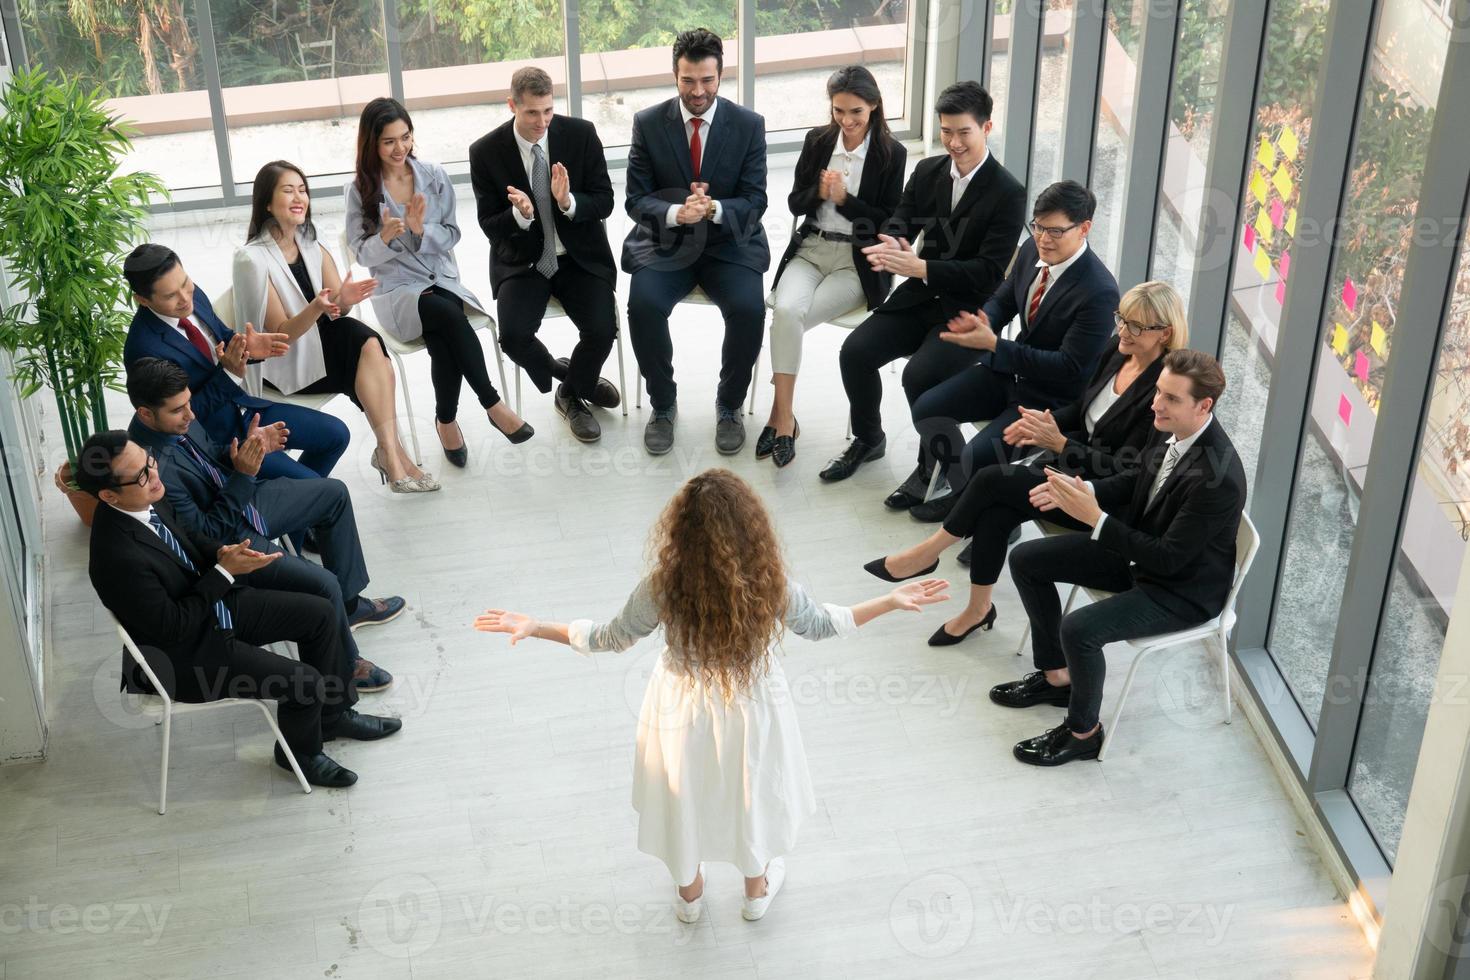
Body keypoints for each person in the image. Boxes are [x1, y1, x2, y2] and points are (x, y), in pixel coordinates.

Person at [473, 469, 949, 921]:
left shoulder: (663, 585)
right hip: (753, 709)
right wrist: (888, 600)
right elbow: (822, 624)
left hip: (679, 710)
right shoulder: (770, 582)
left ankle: (690, 897)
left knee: (683, 796)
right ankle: (755, 893)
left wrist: (536, 627)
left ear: (680, 531)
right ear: (752, 529)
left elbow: (610, 637)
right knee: (751, 792)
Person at [866, 281, 1186, 646]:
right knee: (995, 512)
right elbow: (1084, 411)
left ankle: (927, 553)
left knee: (990, 481)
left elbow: (1130, 472)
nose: (1122, 331)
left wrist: (1061, 444)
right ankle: (978, 609)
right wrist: (1041, 421)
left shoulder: (1165, 394)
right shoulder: (1118, 351)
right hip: (1071, 469)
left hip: (1103, 498)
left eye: (1136, 326)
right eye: (1121, 319)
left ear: (1165, 333)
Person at [78, 431, 404, 789]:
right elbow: (172, 628)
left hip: (211, 605)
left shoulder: (148, 494)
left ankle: (333, 714)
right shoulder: (116, 557)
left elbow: (190, 540)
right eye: (141, 475)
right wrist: (222, 573)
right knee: (305, 682)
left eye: (149, 461)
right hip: (186, 654)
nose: (154, 474)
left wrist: (223, 554)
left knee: (321, 613)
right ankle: (300, 755)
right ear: (108, 495)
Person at [996, 350, 1246, 767]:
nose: (1156, 404)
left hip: (1179, 590)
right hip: (1140, 556)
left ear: (1204, 406)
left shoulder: (1218, 480)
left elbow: (1168, 560)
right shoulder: (1168, 428)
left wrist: (1095, 520)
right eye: (1158, 392)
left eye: (1170, 398)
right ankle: (1058, 678)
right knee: (1026, 559)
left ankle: (1083, 734)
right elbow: (1137, 479)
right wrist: (1083, 492)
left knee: (1079, 629)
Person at [125, 357, 405, 692]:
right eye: (178, 410)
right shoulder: (153, 469)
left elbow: (210, 453)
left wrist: (247, 449)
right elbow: (209, 533)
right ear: (145, 414)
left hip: (239, 497)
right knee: (322, 582)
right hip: (229, 539)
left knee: (334, 494)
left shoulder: (175, 419)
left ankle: (347, 607)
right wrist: (243, 474)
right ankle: (346, 668)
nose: (191, 415)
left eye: (188, 404)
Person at [819, 80, 1026, 484]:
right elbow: (903, 216)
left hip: (969, 310)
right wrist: (893, 241)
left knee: (920, 376)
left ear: (986, 128)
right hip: (919, 297)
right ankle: (868, 438)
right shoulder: (928, 170)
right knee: (854, 353)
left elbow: (988, 271)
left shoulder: (1009, 193)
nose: (953, 142)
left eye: (964, 132)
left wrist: (922, 268)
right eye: (946, 131)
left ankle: (931, 468)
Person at [901, 180, 1119, 522]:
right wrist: (985, 320)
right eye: (1038, 226)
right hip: (1006, 373)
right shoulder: (1032, 250)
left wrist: (995, 345)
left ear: (1084, 228)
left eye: (1055, 231)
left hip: (1048, 398)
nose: (1044, 238)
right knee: (927, 410)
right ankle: (964, 487)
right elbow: (1005, 296)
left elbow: (1068, 367)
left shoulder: (1100, 291)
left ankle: (981, 504)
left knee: (977, 455)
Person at [233, 160, 441, 493]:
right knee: (372, 358)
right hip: (285, 361)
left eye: (303, 190)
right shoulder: (251, 258)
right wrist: (318, 306)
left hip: (319, 341)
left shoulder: (309, 240)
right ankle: (394, 454)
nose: (299, 197)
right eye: (288, 190)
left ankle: (390, 452)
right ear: (267, 203)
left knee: (370, 345)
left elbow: (337, 309)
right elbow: (279, 337)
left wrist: (344, 299)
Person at [347, 98, 533, 470]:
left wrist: (420, 231)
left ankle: (445, 421)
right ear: (372, 144)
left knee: (443, 331)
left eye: (406, 137)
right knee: (447, 317)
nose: (400, 148)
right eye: (388, 142)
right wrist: (384, 238)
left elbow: (452, 233)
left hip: (442, 280)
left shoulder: (433, 174)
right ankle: (492, 404)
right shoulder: (360, 191)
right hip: (397, 291)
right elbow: (360, 254)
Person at [622, 28, 771, 456]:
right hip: (666, 243)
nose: (698, 91)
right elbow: (635, 199)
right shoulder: (648, 123)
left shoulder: (748, 125)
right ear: (675, 75)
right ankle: (663, 404)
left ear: (720, 76)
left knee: (748, 309)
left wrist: (714, 210)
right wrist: (675, 213)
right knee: (644, 306)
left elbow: (756, 199)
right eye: (688, 80)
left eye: (706, 80)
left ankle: (729, 405)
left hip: (729, 245)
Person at [759, 66, 907, 468]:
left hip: (856, 264)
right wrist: (818, 193)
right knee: (786, 312)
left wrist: (844, 199)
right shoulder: (818, 140)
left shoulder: (892, 154)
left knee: (792, 319)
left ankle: (778, 416)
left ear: (874, 106)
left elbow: (889, 220)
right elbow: (793, 203)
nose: (847, 120)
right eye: (839, 110)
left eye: (856, 111)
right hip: (811, 249)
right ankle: (786, 419)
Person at [468, 68, 622, 444]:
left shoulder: (581, 135)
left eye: (549, 111)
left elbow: (605, 199)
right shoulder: (485, 152)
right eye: (532, 113)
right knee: (515, 337)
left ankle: (570, 396)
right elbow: (489, 222)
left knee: (602, 329)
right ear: (512, 106)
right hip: (523, 260)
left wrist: (567, 202)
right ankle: (567, 375)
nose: (542, 122)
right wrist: (520, 214)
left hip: (577, 255)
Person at [123, 244, 350, 482]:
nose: (184, 298)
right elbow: (182, 417)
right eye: (170, 295)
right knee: (319, 488)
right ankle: (300, 499)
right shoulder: (143, 350)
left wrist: (247, 348)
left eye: (184, 283)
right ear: (142, 300)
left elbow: (221, 337)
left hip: (244, 407)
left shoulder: (192, 295)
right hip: (219, 437)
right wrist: (230, 375)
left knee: (337, 436)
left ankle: (295, 504)